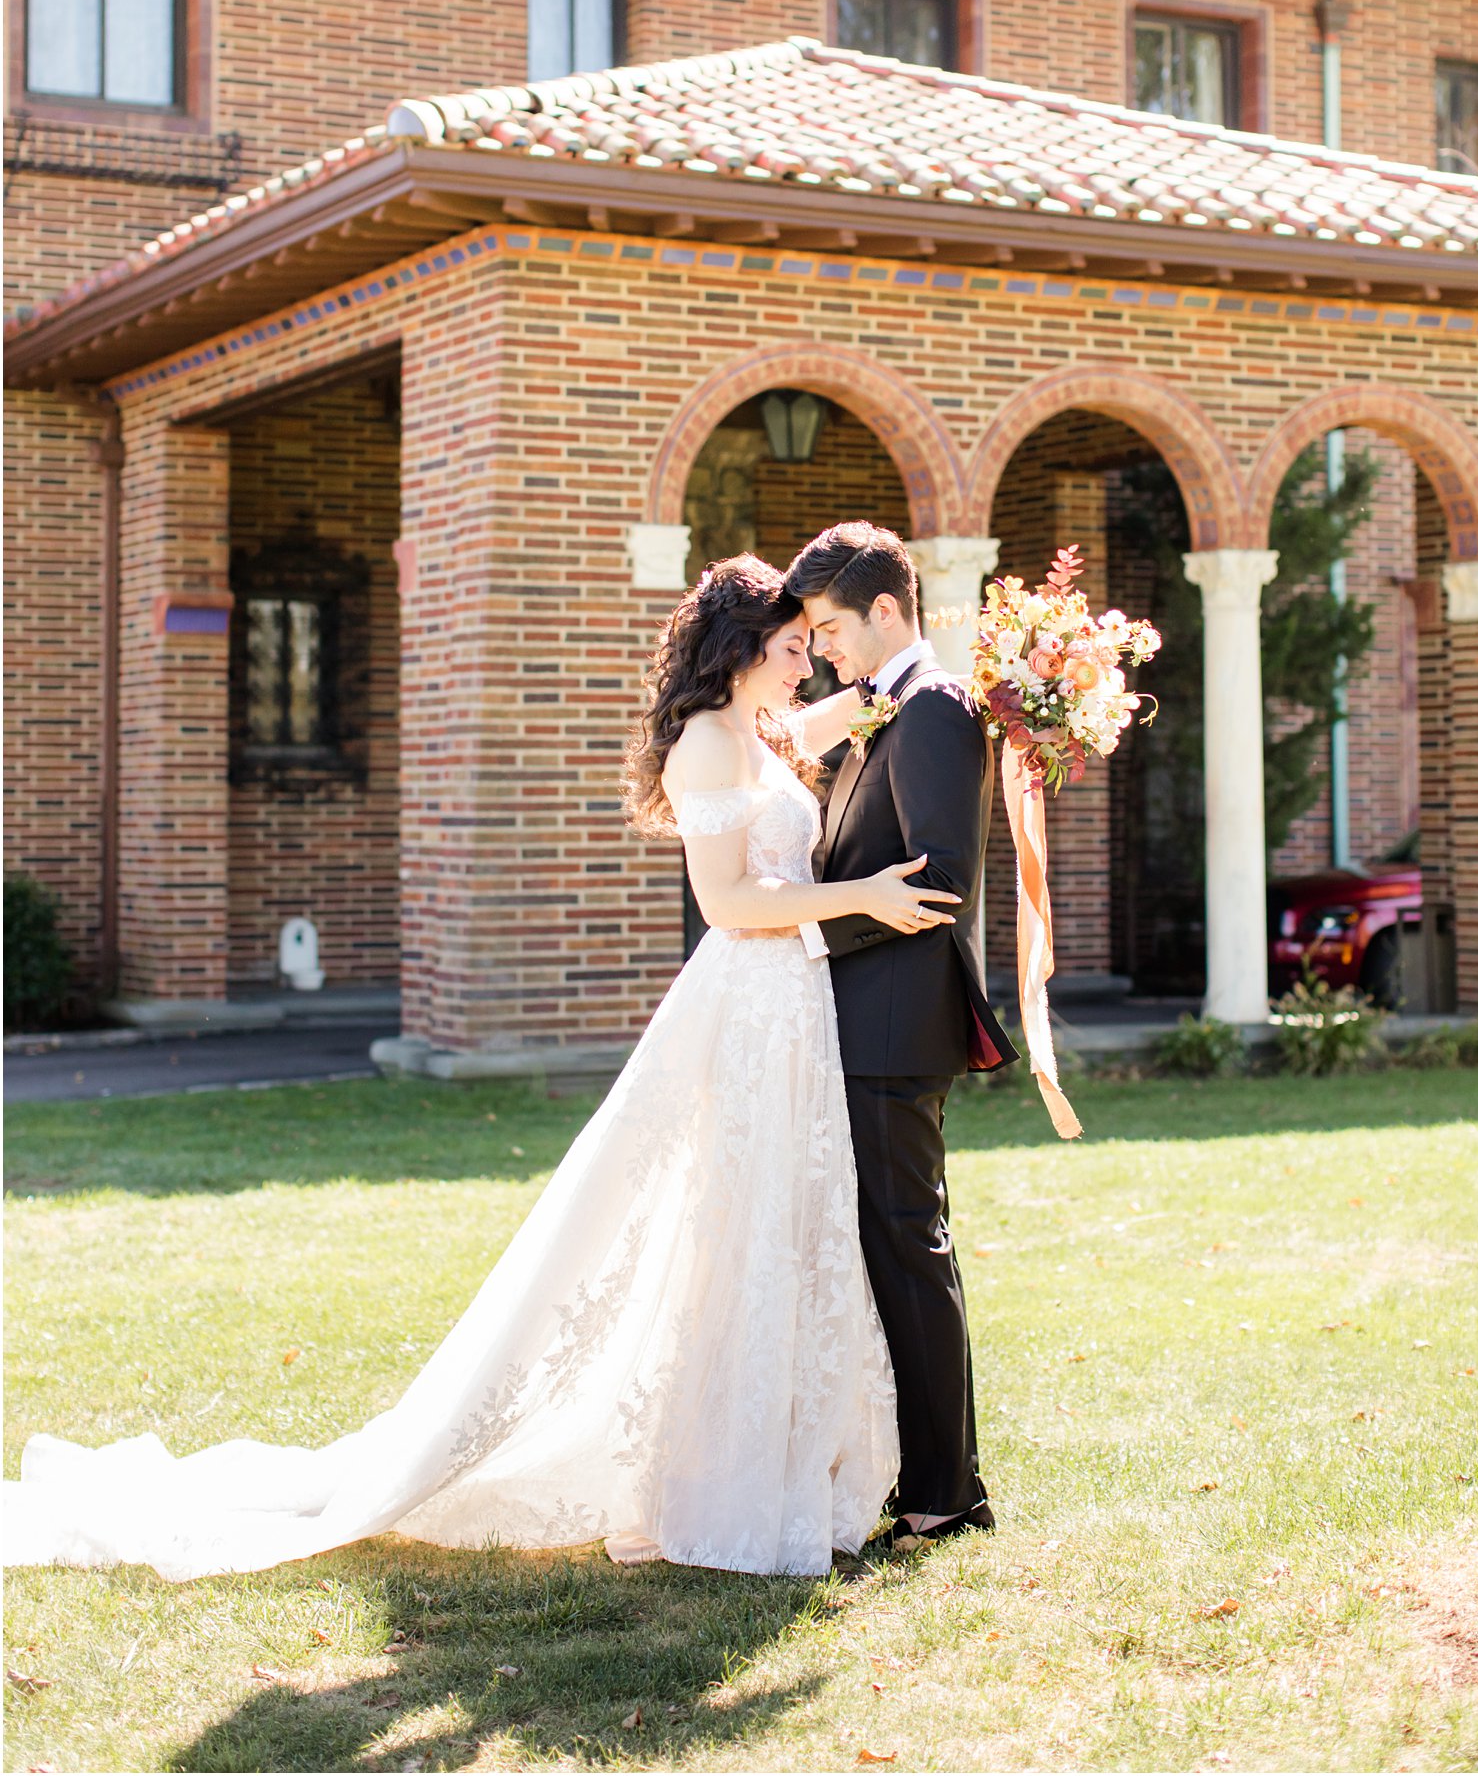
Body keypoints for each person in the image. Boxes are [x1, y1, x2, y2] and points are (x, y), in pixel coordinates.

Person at [4, 555, 956, 1582]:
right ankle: (716, 1477)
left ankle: (783, 1460)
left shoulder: (766, 731)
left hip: (794, 1013)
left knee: (789, 1222)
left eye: (809, 648)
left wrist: (944, 677)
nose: (802, 668)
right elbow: (727, 904)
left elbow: (861, 708)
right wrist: (854, 899)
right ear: (736, 651)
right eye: (786, 651)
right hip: (747, 1001)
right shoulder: (702, 743)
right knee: (731, 1230)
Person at [785, 522, 1018, 1549]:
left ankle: (942, 1490)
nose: (823, 651)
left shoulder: (931, 706)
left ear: (886, 611)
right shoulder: (885, 709)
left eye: (832, 628)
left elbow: (936, 886)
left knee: (908, 1250)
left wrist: (787, 934)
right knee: (883, 1250)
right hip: (858, 1021)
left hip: (892, 1027)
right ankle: (913, 1472)